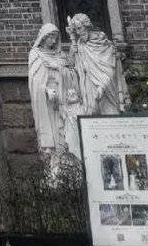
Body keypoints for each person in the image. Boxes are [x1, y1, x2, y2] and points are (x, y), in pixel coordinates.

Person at [67, 13, 128, 115]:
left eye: (80, 28)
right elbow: (74, 68)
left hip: (106, 86)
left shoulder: (103, 43)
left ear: (87, 26)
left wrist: (102, 86)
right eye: (76, 29)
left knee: (110, 113)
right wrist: (72, 54)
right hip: (87, 85)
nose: (78, 32)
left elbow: (110, 69)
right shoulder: (79, 44)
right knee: (91, 115)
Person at [27, 24, 69, 158]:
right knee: (52, 127)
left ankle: (65, 159)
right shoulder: (35, 54)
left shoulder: (59, 55)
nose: (53, 41)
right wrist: (47, 90)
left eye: (55, 38)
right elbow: (34, 79)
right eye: (51, 37)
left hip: (62, 93)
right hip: (47, 97)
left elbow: (69, 73)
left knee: (63, 129)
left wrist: (58, 68)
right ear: (43, 37)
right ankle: (53, 162)